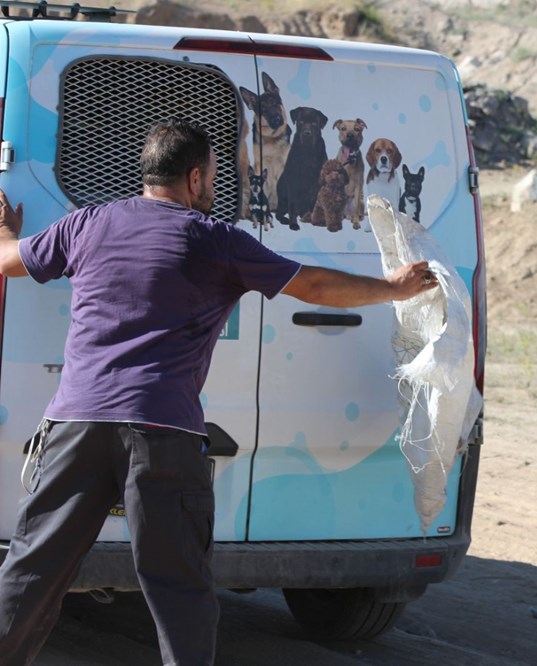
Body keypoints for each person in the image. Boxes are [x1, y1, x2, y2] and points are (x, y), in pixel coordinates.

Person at [0, 118, 438, 665]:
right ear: (193, 177)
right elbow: (317, 287)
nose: (216, 185)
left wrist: (5, 233)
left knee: (32, 570)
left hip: (75, 426)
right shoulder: (217, 241)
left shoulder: (88, 224)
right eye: (214, 174)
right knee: (178, 589)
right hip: (162, 434)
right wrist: (391, 288)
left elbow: (8, 263)